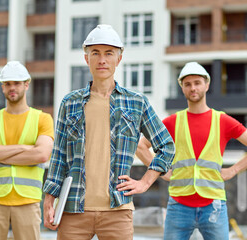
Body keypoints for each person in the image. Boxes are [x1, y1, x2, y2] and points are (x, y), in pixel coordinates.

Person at [42, 24, 175, 240]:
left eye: (108, 53)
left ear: (118, 59)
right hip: (73, 209)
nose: (102, 60)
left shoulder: (136, 102)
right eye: (95, 53)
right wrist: (49, 199)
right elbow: (58, 156)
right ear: (87, 58)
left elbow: (166, 146)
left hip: (118, 211)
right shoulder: (70, 102)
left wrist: (145, 182)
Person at [136, 62, 247, 240]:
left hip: (213, 206)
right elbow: (140, 146)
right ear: (182, 88)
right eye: (188, 84)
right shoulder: (172, 122)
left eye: (197, 83)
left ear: (207, 85)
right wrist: (160, 171)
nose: (193, 88)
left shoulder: (222, 120)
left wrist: (233, 170)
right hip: (179, 206)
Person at [0, 61, 54, 240]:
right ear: (2, 87)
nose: (12, 88)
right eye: (8, 84)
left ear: (26, 85)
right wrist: (24, 148)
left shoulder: (42, 119)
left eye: (17, 83)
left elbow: (41, 155)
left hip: (28, 200)